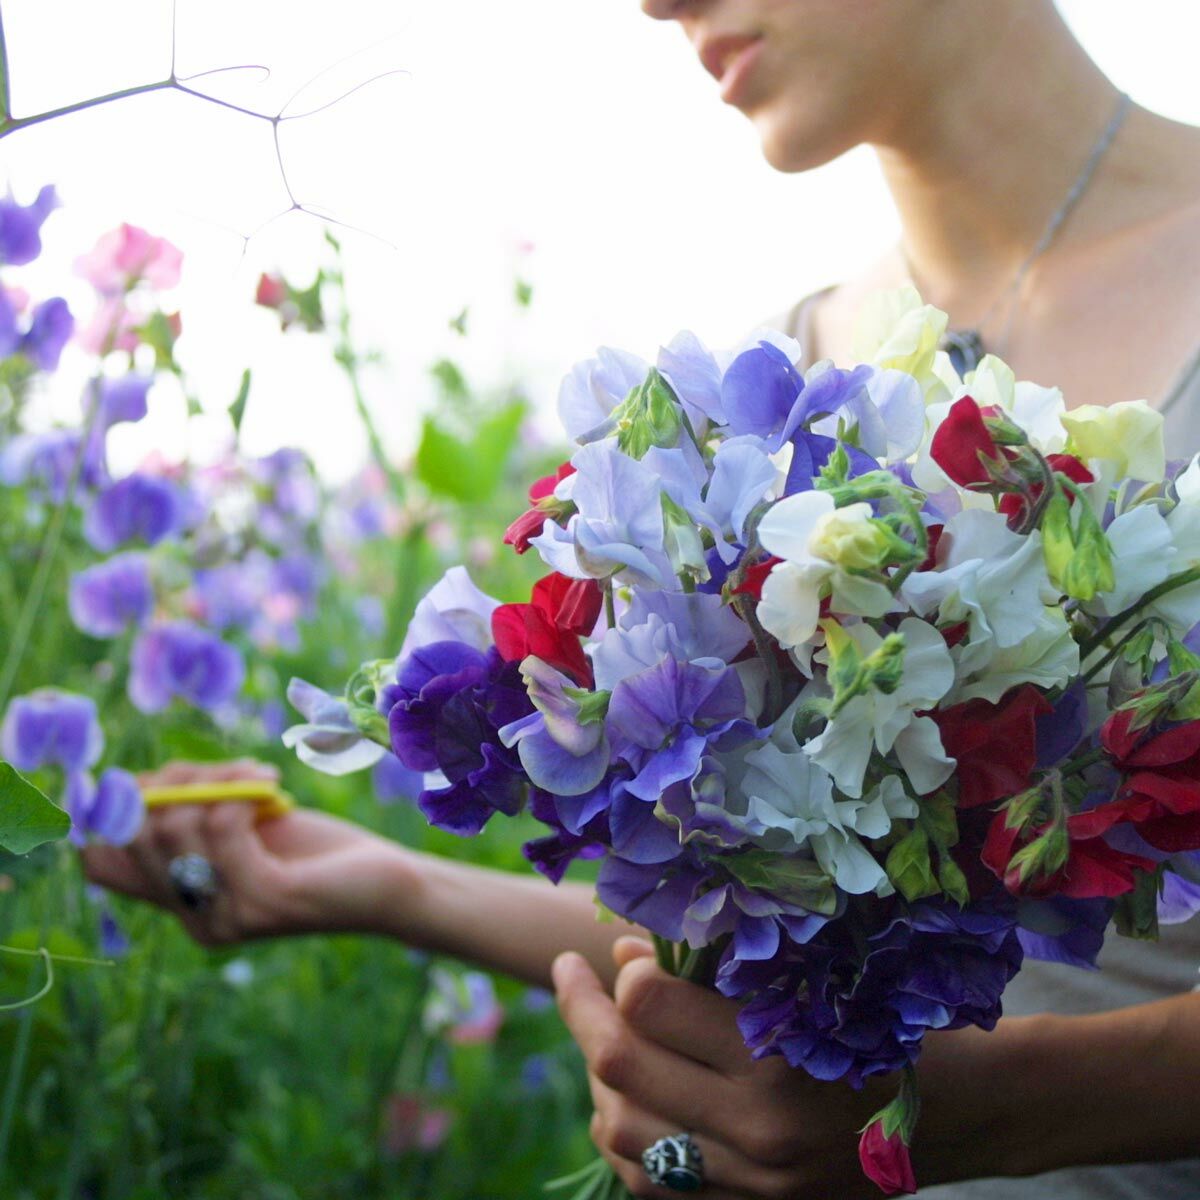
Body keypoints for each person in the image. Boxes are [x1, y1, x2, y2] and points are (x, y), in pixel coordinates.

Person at [85, 1, 1200, 1196]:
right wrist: (384, 880)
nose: (656, 2)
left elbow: (961, 1060)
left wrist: (986, 1117)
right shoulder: (770, 389)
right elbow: (758, 925)